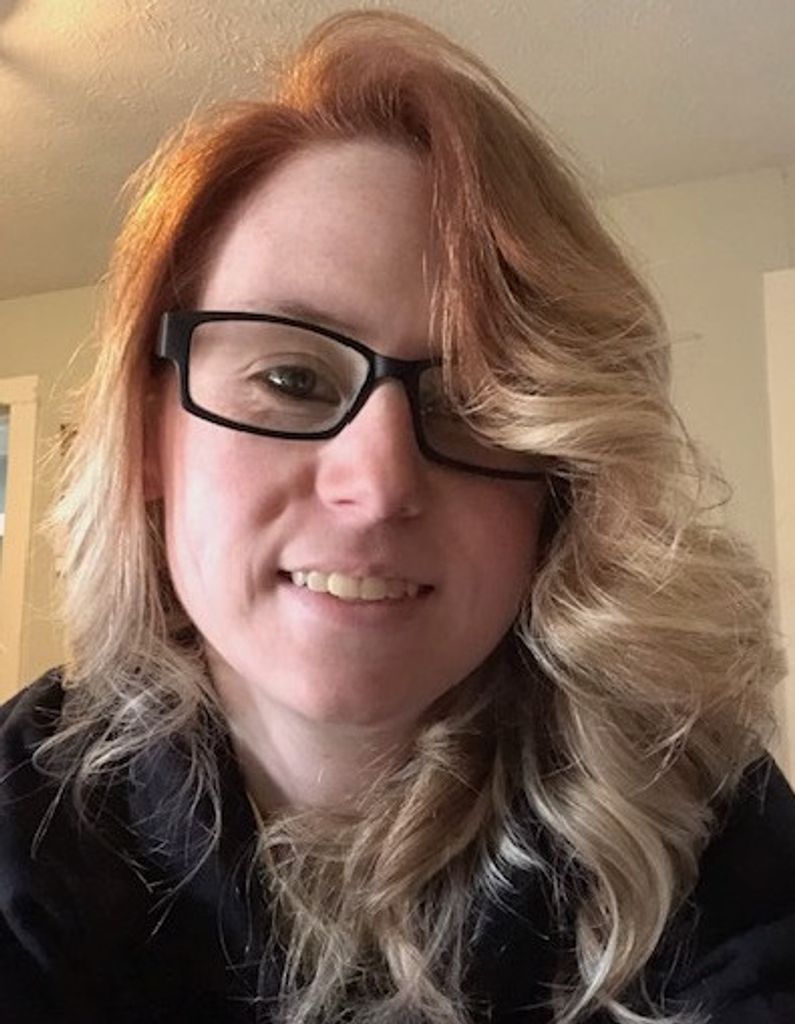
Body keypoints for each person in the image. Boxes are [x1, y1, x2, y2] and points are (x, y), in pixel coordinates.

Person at [1, 10, 793, 1024]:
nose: (376, 487)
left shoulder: (689, 812)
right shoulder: (22, 831)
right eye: (291, 378)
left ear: (559, 479)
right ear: (152, 437)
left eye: (474, 402)